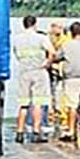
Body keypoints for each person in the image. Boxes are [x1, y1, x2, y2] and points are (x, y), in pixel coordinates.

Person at [13, 15, 55, 143]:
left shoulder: (17, 39)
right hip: (39, 71)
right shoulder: (41, 38)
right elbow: (52, 52)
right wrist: (47, 63)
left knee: (23, 103)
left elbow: (16, 54)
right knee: (38, 102)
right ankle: (36, 132)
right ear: (35, 24)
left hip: (23, 72)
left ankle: (19, 132)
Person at [47, 21, 69, 134]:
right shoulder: (48, 38)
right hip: (51, 70)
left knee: (60, 93)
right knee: (52, 93)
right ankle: (52, 113)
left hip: (60, 71)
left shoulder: (65, 39)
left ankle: (61, 114)